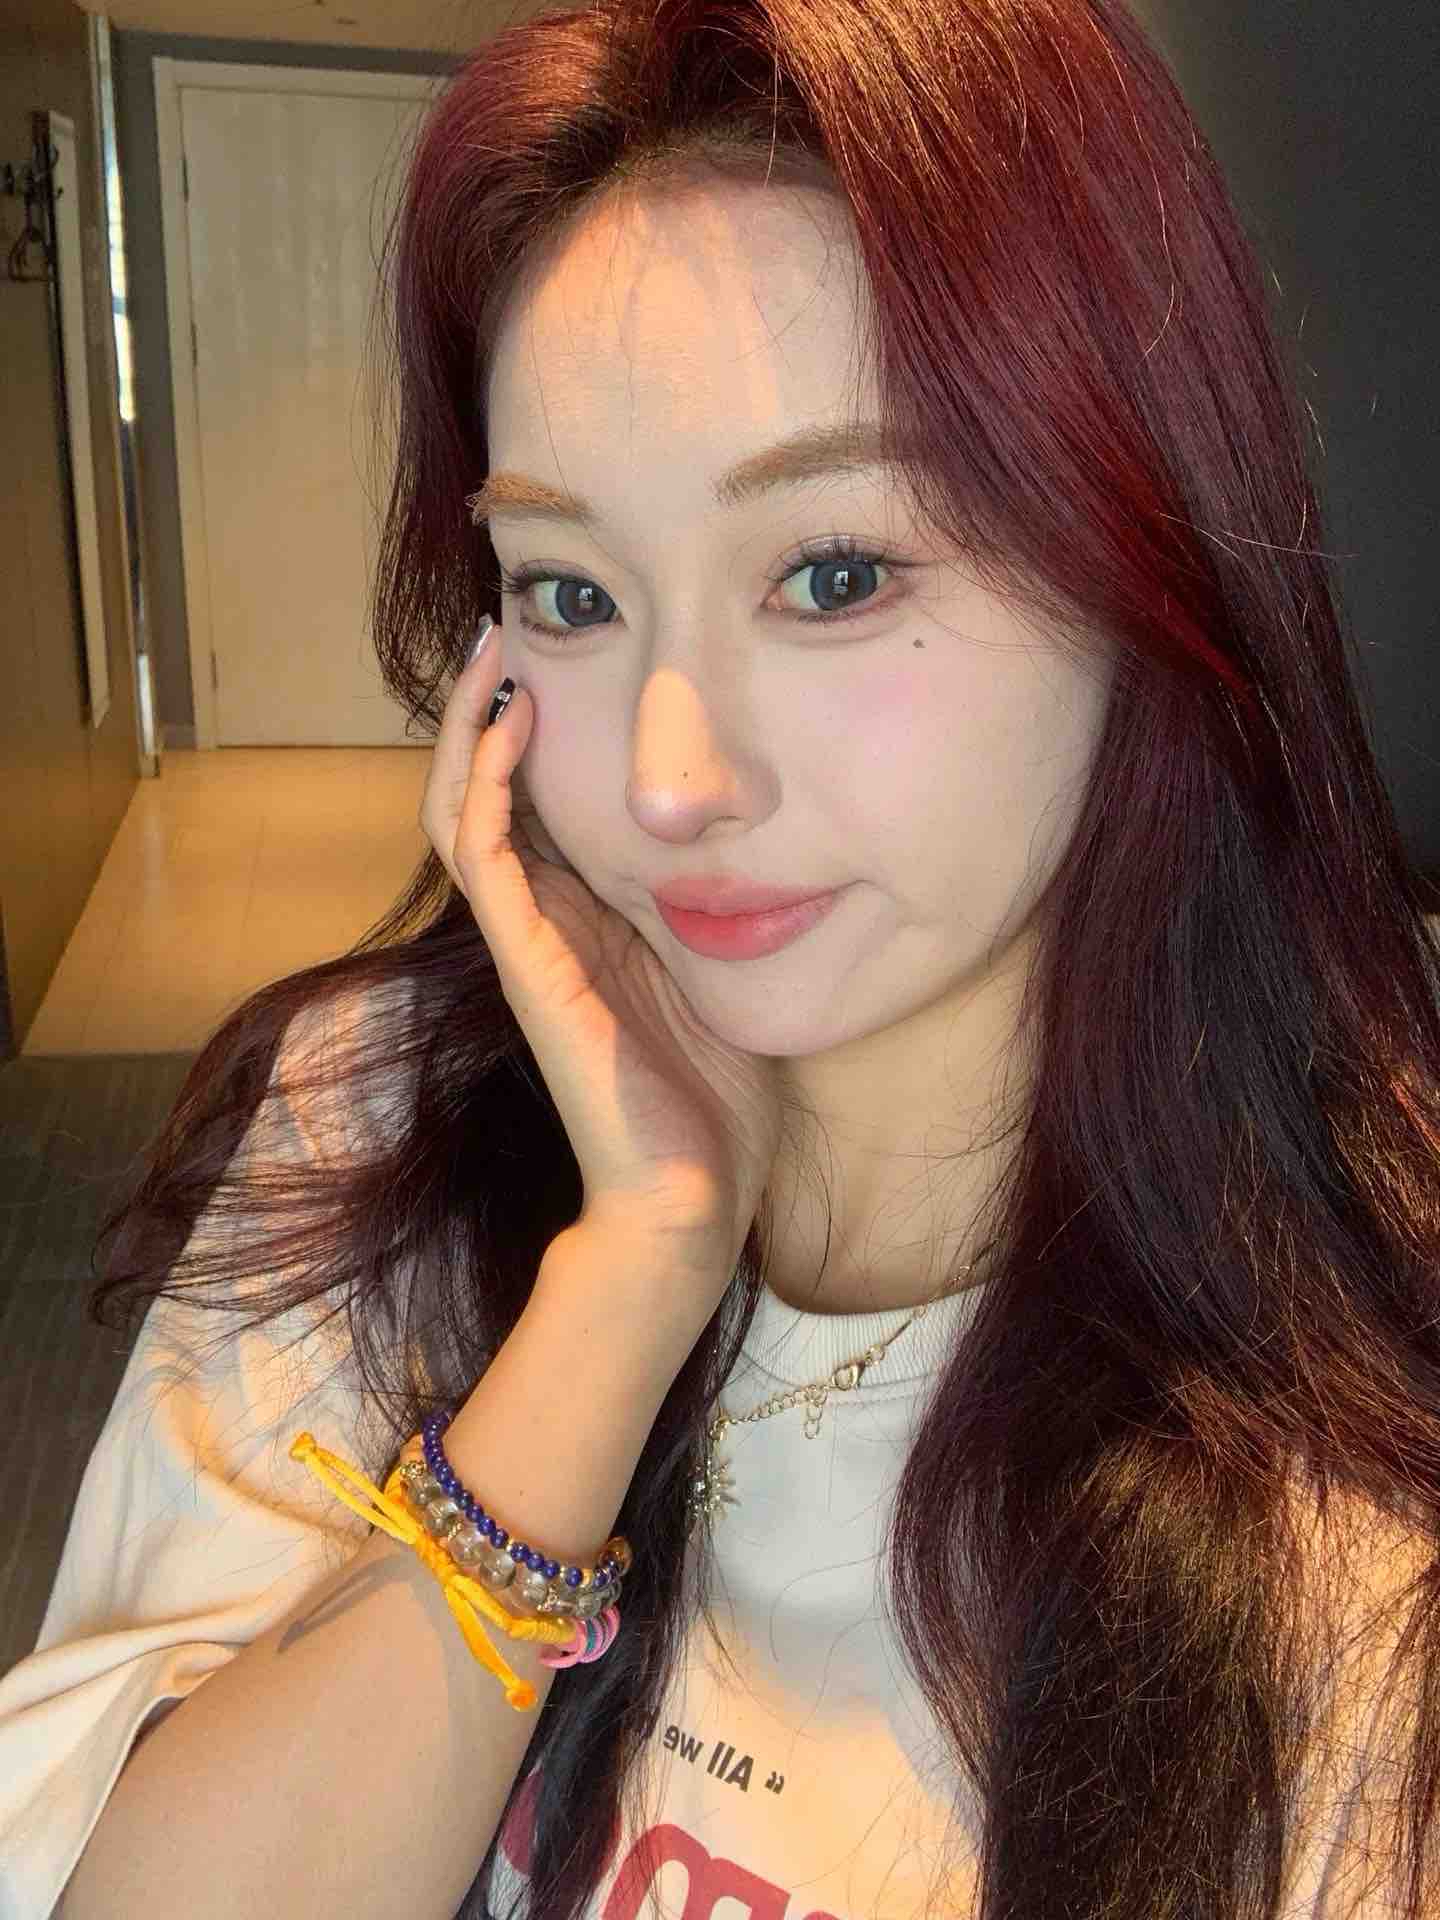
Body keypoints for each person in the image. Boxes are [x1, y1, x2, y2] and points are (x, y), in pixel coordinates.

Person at [3, 0, 1439, 1912]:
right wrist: (631, 1283)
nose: (668, 783)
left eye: (833, 574)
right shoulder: (373, 1124)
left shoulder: (1365, 1413)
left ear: (1141, 551)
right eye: (570, 592)